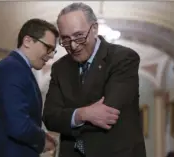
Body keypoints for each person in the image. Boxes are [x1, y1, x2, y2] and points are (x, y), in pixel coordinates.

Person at [43, 2, 146, 157]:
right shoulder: (59, 67)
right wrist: (82, 114)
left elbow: (107, 114)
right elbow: (50, 117)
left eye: (79, 36)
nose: (73, 45)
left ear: (95, 29)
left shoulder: (123, 58)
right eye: (65, 39)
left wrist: (68, 116)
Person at [0, 18, 59, 157]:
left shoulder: (19, 68)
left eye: (53, 50)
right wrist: (42, 140)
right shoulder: (13, 69)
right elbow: (18, 124)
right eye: (48, 48)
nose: (51, 55)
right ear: (27, 41)